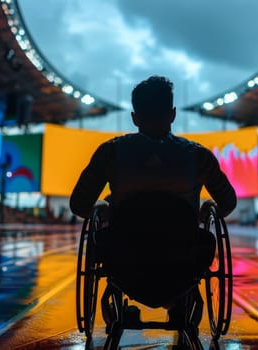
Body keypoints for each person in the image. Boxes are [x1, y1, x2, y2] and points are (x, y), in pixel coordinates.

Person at [70, 76, 236, 344]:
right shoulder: (199, 156)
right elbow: (228, 204)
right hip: (183, 266)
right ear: (172, 114)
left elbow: (78, 205)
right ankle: (180, 302)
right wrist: (209, 205)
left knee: (104, 238)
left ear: (135, 118)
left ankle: (117, 303)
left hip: (125, 266)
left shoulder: (110, 152)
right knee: (205, 240)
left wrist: (102, 204)